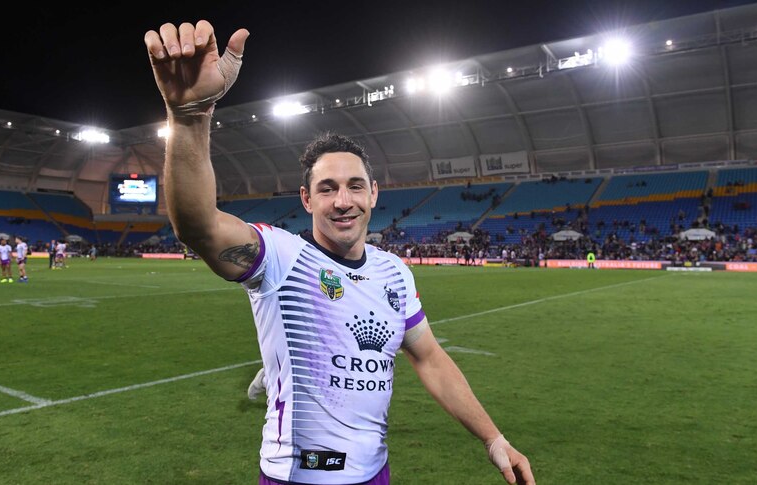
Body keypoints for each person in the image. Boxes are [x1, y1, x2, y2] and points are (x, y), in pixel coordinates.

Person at [144, 20, 534, 485]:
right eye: (327, 189)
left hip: (375, 474)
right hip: (299, 477)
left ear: (374, 194)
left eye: (354, 187)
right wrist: (190, 117)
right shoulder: (281, 258)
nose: (343, 201)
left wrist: (494, 438)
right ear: (307, 200)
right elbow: (198, 225)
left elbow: (429, 357)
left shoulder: (395, 273)